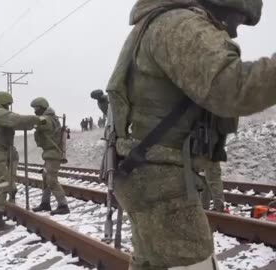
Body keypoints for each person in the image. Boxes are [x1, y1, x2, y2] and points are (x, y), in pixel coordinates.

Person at [104, 0, 271, 269]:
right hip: (163, 181)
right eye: (237, 20)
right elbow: (232, 87)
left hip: (145, 174)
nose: (236, 33)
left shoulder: (158, 22)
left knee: (153, 263)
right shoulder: (179, 24)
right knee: (195, 263)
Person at [0, 92, 43, 232]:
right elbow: (16, 120)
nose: (8, 107)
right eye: (8, 105)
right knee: (3, 184)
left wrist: (28, 125)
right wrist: (37, 119)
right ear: (4, 103)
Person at [30, 97, 70, 215]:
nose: (34, 111)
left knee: (51, 180)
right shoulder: (50, 118)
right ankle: (45, 203)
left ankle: (63, 205)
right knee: (45, 178)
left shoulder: (47, 119)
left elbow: (39, 123)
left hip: (53, 153)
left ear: (42, 107)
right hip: (49, 153)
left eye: (36, 108)